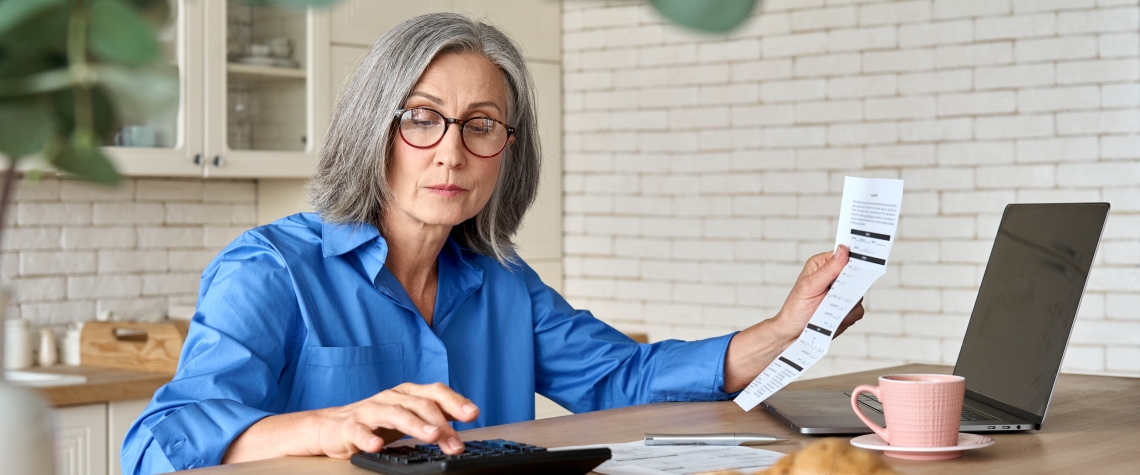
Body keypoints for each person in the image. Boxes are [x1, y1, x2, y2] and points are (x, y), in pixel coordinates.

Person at [121, 12, 865, 474]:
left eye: (480, 125)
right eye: (421, 117)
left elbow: (624, 380)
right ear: (372, 131)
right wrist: (328, 426)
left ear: (507, 150)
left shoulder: (503, 281)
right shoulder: (270, 270)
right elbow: (156, 445)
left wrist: (783, 329)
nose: (450, 151)